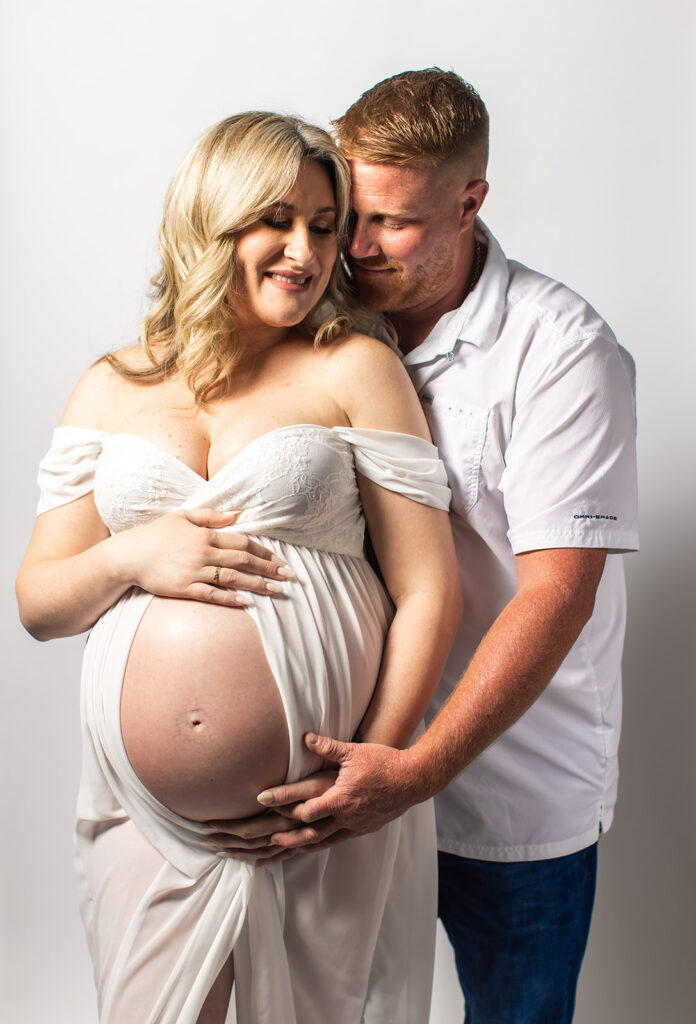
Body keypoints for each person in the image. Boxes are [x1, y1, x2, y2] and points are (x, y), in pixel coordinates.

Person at [15, 111, 463, 1023]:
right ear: (210, 222)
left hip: (318, 814)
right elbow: (39, 602)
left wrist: (368, 765)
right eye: (277, 220)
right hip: (149, 823)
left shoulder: (354, 366)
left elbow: (428, 587)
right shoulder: (111, 384)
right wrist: (134, 552)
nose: (307, 250)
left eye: (326, 224)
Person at [215, 71, 640, 1023]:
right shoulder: (321, 314)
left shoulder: (563, 351)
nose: (355, 249)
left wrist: (418, 769)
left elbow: (556, 596)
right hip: (336, 773)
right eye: (346, 219)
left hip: (506, 788)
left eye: (393, 225)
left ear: (470, 202)